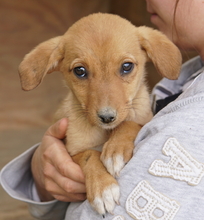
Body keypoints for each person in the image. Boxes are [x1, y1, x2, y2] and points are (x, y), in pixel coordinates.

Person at [1, 0, 204, 219]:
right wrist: (42, 173)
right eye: (81, 71)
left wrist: (128, 132)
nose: (106, 108)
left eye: (126, 68)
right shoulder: (175, 87)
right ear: (56, 63)